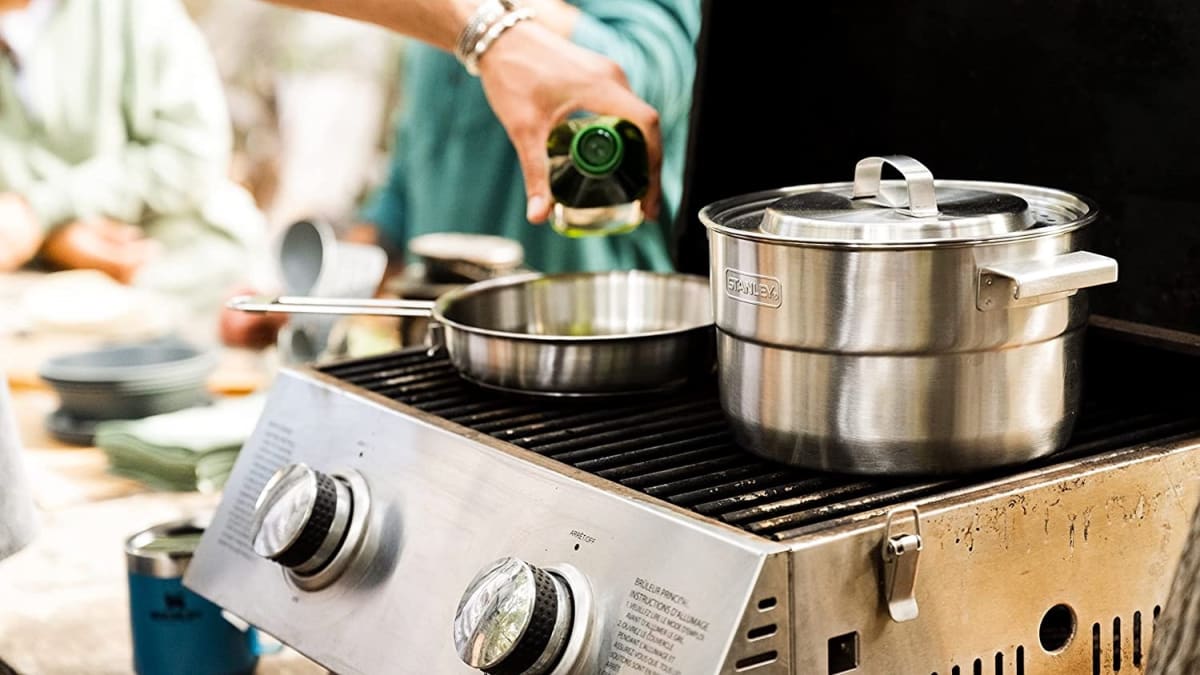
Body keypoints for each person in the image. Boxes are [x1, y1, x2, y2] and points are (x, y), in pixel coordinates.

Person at [220, 0, 700, 347]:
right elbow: (403, 199)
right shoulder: (440, 32)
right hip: (448, 356)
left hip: (598, 347)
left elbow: (637, 83)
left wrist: (492, 26)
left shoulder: (471, 21)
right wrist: (308, 298)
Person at [0, 0, 268, 330]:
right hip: (35, 298)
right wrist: (53, 239)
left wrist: (41, 213)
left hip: (186, 278)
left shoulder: (133, 11)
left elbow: (192, 155)